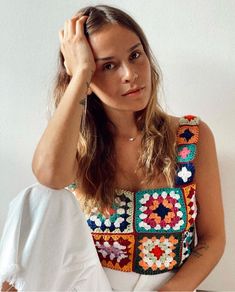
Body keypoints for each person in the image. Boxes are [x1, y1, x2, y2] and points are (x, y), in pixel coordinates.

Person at [0, 4, 225, 292]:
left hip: (169, 287)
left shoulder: (191, 137)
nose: (130, 74)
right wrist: (80, 76)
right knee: (41, 196)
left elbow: (212, 238)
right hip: (91, 285)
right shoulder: (75, 147)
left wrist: (170, 291)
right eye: (107, 66)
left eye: (135, 55)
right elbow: (49, 177)